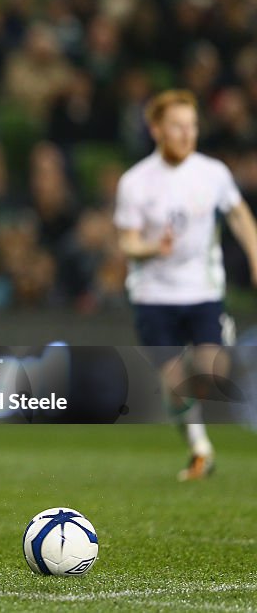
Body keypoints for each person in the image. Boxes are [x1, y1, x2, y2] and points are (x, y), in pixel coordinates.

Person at [114, 89, 257, 481]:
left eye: (192, 126)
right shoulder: (135, 182)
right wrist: (147, 247)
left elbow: (240, 215)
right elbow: (126, 240)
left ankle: (210, 353)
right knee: (176, 382)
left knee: (212, 373)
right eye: (177, 126)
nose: (186, 133)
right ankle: (199, 447)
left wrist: (255, 253)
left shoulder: (212, 173)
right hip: (153, 296)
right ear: (156, 129)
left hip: (202, 291)